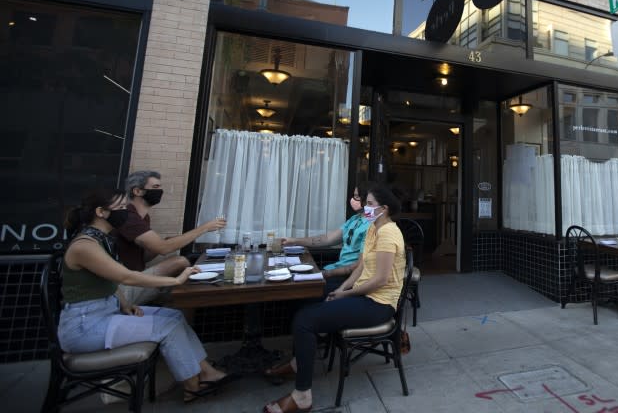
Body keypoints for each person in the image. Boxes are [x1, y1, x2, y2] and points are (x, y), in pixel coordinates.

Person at [58, 189, 238, 403]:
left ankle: (206, 371)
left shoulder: (101, 240)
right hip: (84, 327)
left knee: (174, 317)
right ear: (101, 212)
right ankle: (192, 386)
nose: (126, 212)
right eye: (122, 208)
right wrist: (176, 280)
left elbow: (109, 280)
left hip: (106, 313)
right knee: (167, 327)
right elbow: (127, 277)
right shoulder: (85, 245)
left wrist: (124, 304)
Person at [263, 184, 406, 413]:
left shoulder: (389, 233)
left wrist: (346, 294)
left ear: (384, 209)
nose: (365, 208)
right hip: (362, 294)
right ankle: (300, 363)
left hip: (378, 304)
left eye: (369, 204)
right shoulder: (373, 228)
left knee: (305, 321)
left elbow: (379, 280)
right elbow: (361, 267)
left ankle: (302, 396)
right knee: (305, 304)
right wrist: (341, 290)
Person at [114, 170, 226, 305]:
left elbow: (144, 257)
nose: (160, 191)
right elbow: (163, 249)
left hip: (136, 278)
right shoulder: (128, 217)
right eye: (155, 187)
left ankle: (176, 303)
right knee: (180, 262)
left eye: (160, 187)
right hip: (120, 290)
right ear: (137, 191)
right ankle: (187, 304)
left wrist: (167, 242)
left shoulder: (143, 217)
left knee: (180, 269)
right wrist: (204, 228)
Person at [280, 183, 371, 294]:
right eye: (353, 195)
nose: (353, 199)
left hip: (346, 277)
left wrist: (324, 273)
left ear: (367, 199)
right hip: (335, 269)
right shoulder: (355, 219)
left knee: (298, 290)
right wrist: (294, 240)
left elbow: (358, 266)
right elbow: (327, 239)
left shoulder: (371, 226)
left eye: (356, 196)